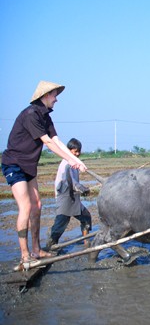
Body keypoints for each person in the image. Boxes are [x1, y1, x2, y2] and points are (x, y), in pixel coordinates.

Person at [1, 81, 87, 265]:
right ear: (45, 95)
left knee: (38, 205)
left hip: (29, 166)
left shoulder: (45, 116)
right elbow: (48, 143)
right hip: (14, 164)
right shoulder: (31, 114)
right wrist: (70, 160)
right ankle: (25, 256)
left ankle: (36, 250)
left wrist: (76, 160)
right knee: (26, 207)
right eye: (55, 95)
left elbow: (56, 139)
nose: (56, 99)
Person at [46, 138, 92, 250]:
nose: (77, 154)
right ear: (68, 151)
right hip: (64, 197)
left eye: (78, 151)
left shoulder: (74, 163)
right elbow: (70, 182)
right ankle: (51, 246)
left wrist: (81, 189)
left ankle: (86, 243)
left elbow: (74, 183)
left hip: (73, 197)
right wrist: (82, 188)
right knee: (61, 223)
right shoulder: (66, 163)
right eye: (75, 151)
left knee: (86, 217)